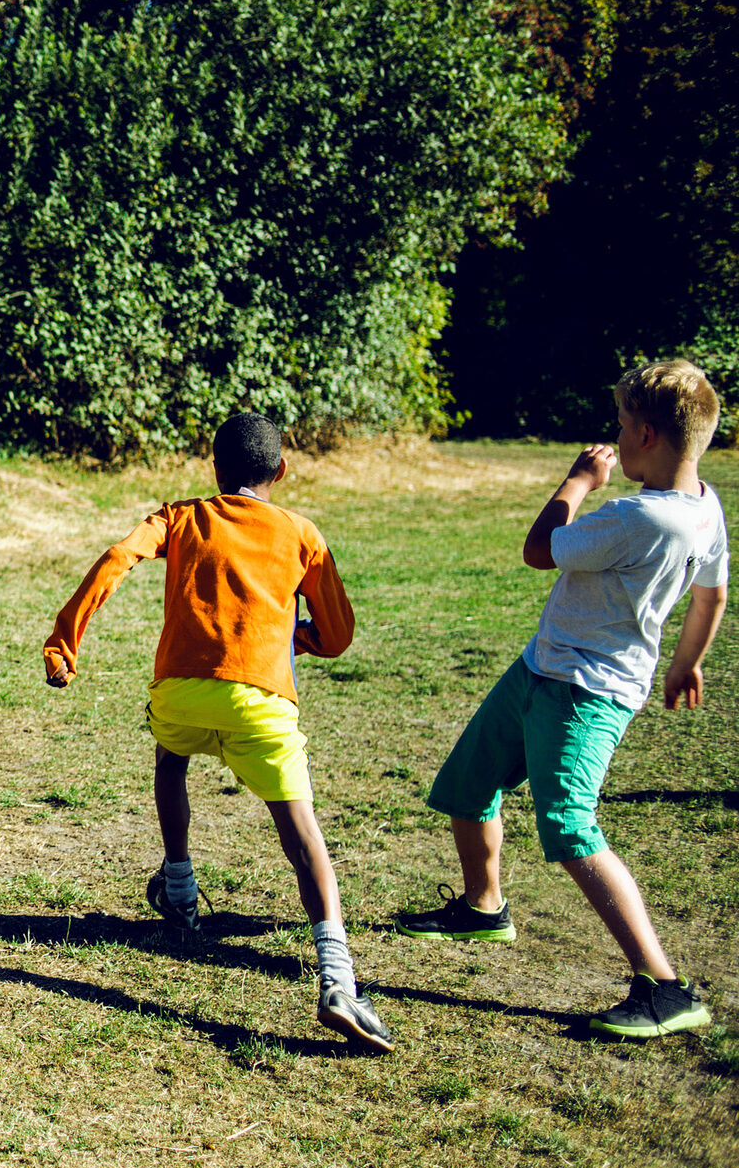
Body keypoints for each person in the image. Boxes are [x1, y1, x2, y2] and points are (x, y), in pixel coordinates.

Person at [43, 412, 393, 1052]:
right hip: (262, 698)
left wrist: (65, 642)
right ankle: (338, 977)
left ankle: (179, 892)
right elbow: (338, 636)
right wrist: (301, 639)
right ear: (281, 470)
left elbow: (117, 559)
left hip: (182, 691)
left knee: (170, 762)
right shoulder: (302, 533)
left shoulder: (179, 516)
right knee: (299, 830)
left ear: (214, 470)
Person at [398, 361, 727, 1040]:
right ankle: (484, 906)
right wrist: (685, 662)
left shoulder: (642, 517)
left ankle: (664, 985)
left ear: (643, 433)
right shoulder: (704, 506)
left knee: (571, 826)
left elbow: (539, 549)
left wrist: (578, 481)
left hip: (587, 691)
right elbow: (712, 594)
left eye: (619, 427)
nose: (614, 437)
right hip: (542, 667)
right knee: (469, 781)